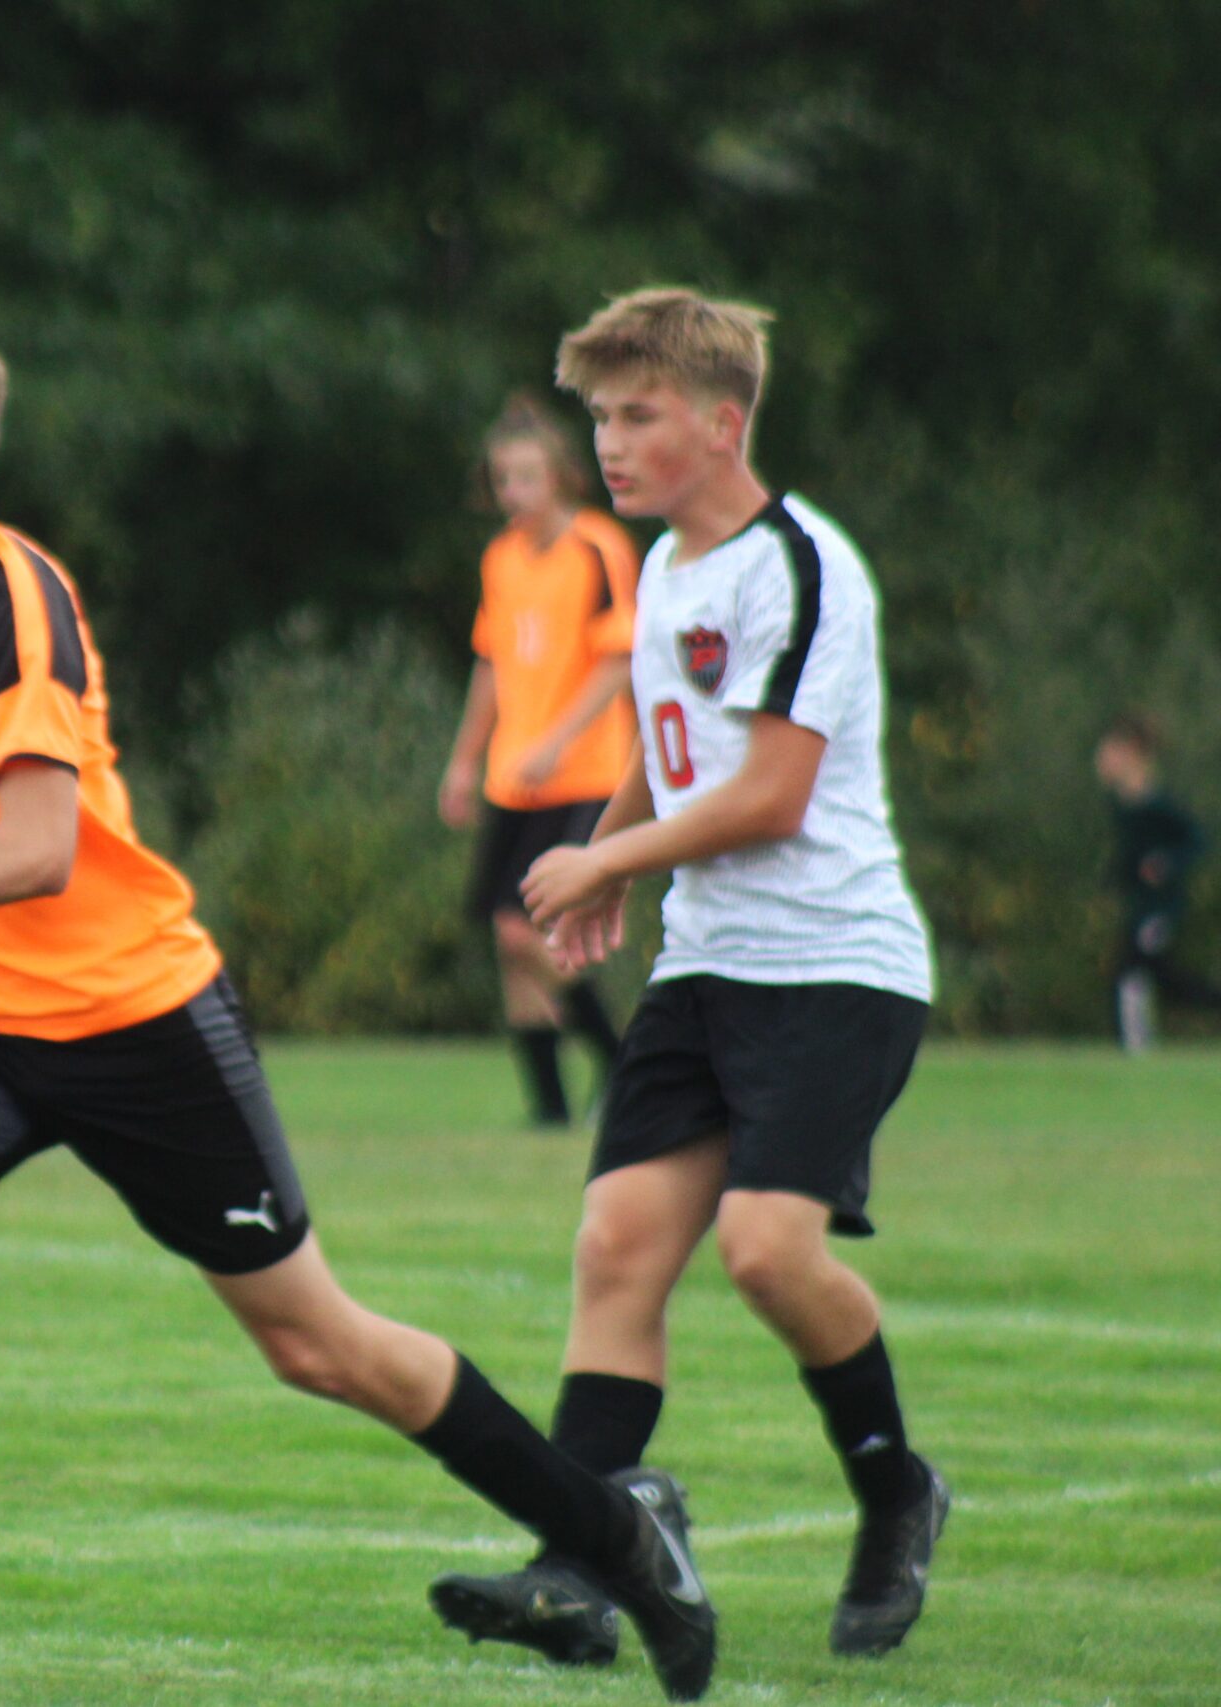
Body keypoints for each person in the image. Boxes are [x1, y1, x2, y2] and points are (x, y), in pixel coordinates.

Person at [0, 322, 718, 1701]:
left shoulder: (9, 596)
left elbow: (36, 850)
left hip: (138, 1014)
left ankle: (617, 1533)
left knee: (317, 1346)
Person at [427, 288, 948, 1671]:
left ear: (723, 423)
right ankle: (576, 1570)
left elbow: (772, 794)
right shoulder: (661, 566)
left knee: (767, 1250)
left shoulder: (802, 564)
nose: (609, 441)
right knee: (615, 1247)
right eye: (600, 416)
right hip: (707, 963)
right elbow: (673, 760)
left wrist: (606, 860)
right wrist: (611, 863)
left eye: (638, 414)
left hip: (835, 964)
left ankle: (896, 1488)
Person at [439, 394, 641, 1126]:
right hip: (513, 780)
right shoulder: (501, 558)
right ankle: (550, 1112)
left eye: (526, 477)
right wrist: (464, 762)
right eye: (502, 479)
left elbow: (618, 660)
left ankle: (625, 1062)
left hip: (585, 774)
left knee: (528, 931)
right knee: (507, 940)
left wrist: (556, 739)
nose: (512, 493)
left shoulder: (598, 547)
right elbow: (491, 665)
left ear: (560, 476)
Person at [1093, 711, 1220, 1051]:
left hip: (1161, 908)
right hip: (1141, 907)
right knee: (1165, 980)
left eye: (1110, 752)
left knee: (1131, 969)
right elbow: (1129, 858)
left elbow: (1198, 840)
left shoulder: (1157, 805)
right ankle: (1136, 1045)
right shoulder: (1123, 805)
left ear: (1131, 753)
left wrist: (1167, 863)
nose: (1102, 760)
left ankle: (1135, 1047)